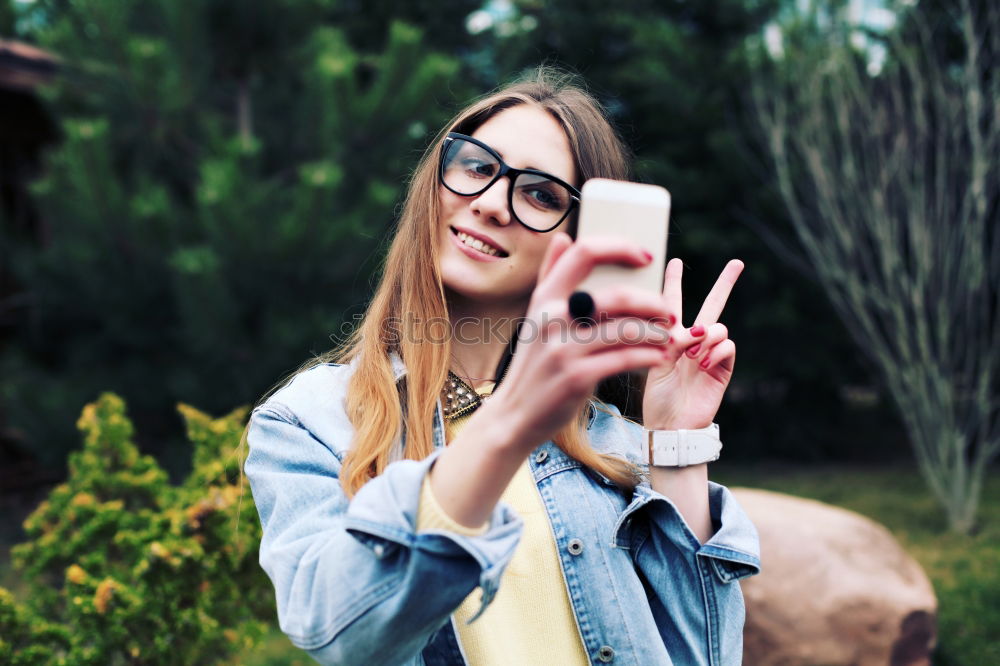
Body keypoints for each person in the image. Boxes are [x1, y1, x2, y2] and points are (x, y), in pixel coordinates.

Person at [244, 68, 760, 666]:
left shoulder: (610, 442)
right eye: (476, 166)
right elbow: (342, 637)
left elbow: (701, 656)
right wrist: (510, 419)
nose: (490, 205)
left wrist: (676, 443)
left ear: (580, 239)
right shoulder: (308, 423)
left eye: (540, 194)